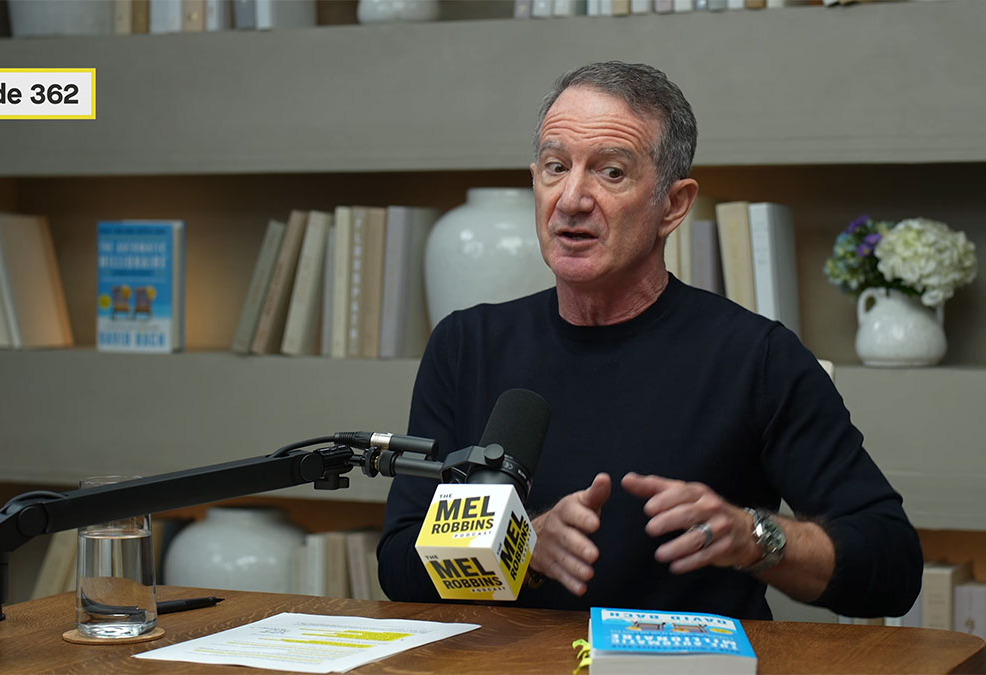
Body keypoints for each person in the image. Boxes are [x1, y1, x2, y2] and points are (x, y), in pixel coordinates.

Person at [377, 61, 922, 619]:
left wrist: (755, 536)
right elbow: (399, 563)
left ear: (674, 205)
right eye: (556, 167)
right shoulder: (466, 345)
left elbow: (892, 565)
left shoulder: (756, 358)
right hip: (508, 658)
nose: (571, 198)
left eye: (611, 172)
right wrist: (521, 546)